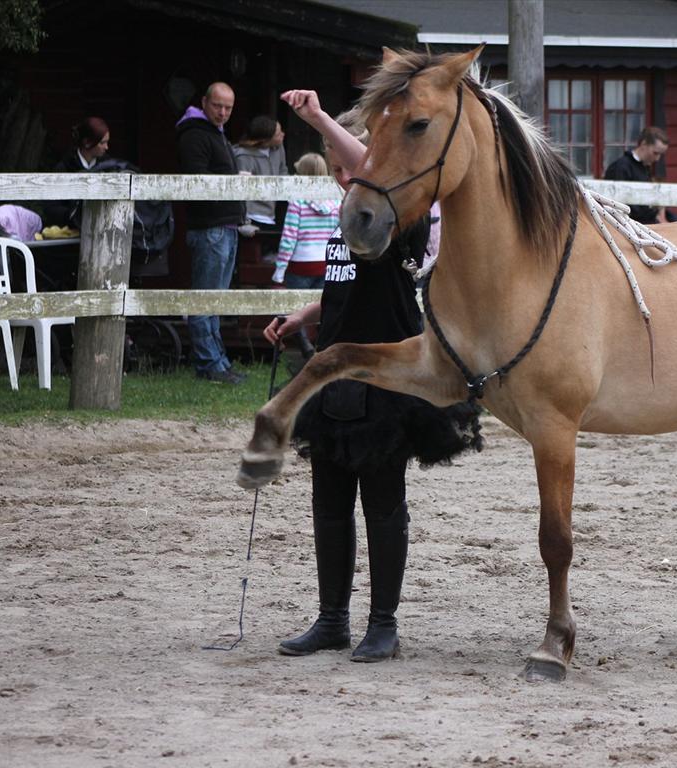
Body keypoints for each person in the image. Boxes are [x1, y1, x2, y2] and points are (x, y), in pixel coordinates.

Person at [263, 89, 481, 663]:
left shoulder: (401, 223)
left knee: (383, 505)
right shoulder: (350, 225)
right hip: (332, 378)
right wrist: (304, 316)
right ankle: (331, 619)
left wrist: (316, 116)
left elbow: (365, 165)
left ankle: (383, 624)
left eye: (352, 169)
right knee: (329, 505)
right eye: (337, 173)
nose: (346, 179)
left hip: (387, 382)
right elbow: (345, 286)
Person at [176, 82, 247, 384]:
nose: (222, 112)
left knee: (214, 299)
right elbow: (198, 179)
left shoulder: (214, 133)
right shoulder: (194, 133)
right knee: (205, 299)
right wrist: (234, 179)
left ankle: (218, 362)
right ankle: (210, 365)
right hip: (209, 226)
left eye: (228, 108)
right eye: (217, 105)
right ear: (204, 102)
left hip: (225, 225)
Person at [272, 152, 338, 288]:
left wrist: (279, 271)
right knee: (321, 307)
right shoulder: (336, 202)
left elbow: (288, 239)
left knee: (298, 308)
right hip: (327, 263)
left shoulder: (297, 202)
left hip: (300, 265)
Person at [45, 117, 111, 228]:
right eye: (102, 143)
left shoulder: (108, 167)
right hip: (70, 233)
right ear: (87, 143)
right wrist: (74, 215)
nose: (106, 147)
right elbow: (51, 207)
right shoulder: (64, 168)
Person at [603, 126, 670, 224]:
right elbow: (621, 205)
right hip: (631, 223)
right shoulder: (621, 167)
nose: (657, 159)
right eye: (655, 153)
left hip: (647, 217)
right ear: (644, 144)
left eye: (660, 154)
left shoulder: (644, 167)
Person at [232, 115, 288, 233]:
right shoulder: (243, 156)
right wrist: (244, 221)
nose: (283, 134)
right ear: (265, 140)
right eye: (278, 134)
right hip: (252, 216)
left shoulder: (278, 148)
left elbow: (283, 172)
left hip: (272, 213)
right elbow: (241, 192)